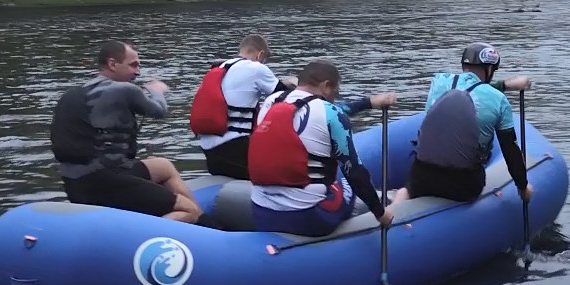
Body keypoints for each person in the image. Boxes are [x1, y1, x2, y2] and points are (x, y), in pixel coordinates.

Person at [50, 40, 203, 223]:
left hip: (75, 184)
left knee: (163, 166)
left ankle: (204, 221)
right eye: (133, 65)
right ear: (112, 64)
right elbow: (159, 111)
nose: (138, 72)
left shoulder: (72, 94)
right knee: (188, 210)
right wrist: (157, 91)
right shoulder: (125, 90)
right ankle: (148, 243)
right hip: (107, 182)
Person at [247, 59, 399, 237]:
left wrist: (370, 103)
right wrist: (380, 214)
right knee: (345, 184)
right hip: (307, 217)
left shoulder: (271, 101)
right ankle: (391, 200)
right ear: (326, 86)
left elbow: (317, 108)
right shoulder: (331, 112)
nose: (335, 97)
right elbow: (355, 173)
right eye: (336, 91)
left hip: (261, 212)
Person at [390, 42, 533, 209]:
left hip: (422, 177)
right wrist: (523, 188)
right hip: (464, 185)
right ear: (490, 70)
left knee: (406, 190)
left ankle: (397, 205)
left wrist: (506, 85)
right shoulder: (499, 100)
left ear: (464, 65)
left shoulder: (439, 82)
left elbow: (467, 90)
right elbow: (510, 151)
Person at [189, 33, 291, 179]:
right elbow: (286, 98)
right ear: (260, 55)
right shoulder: (256, 68)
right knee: (282, 171)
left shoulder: (221, 67)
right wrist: (293, 82)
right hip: (235, 149)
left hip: (209, 151)